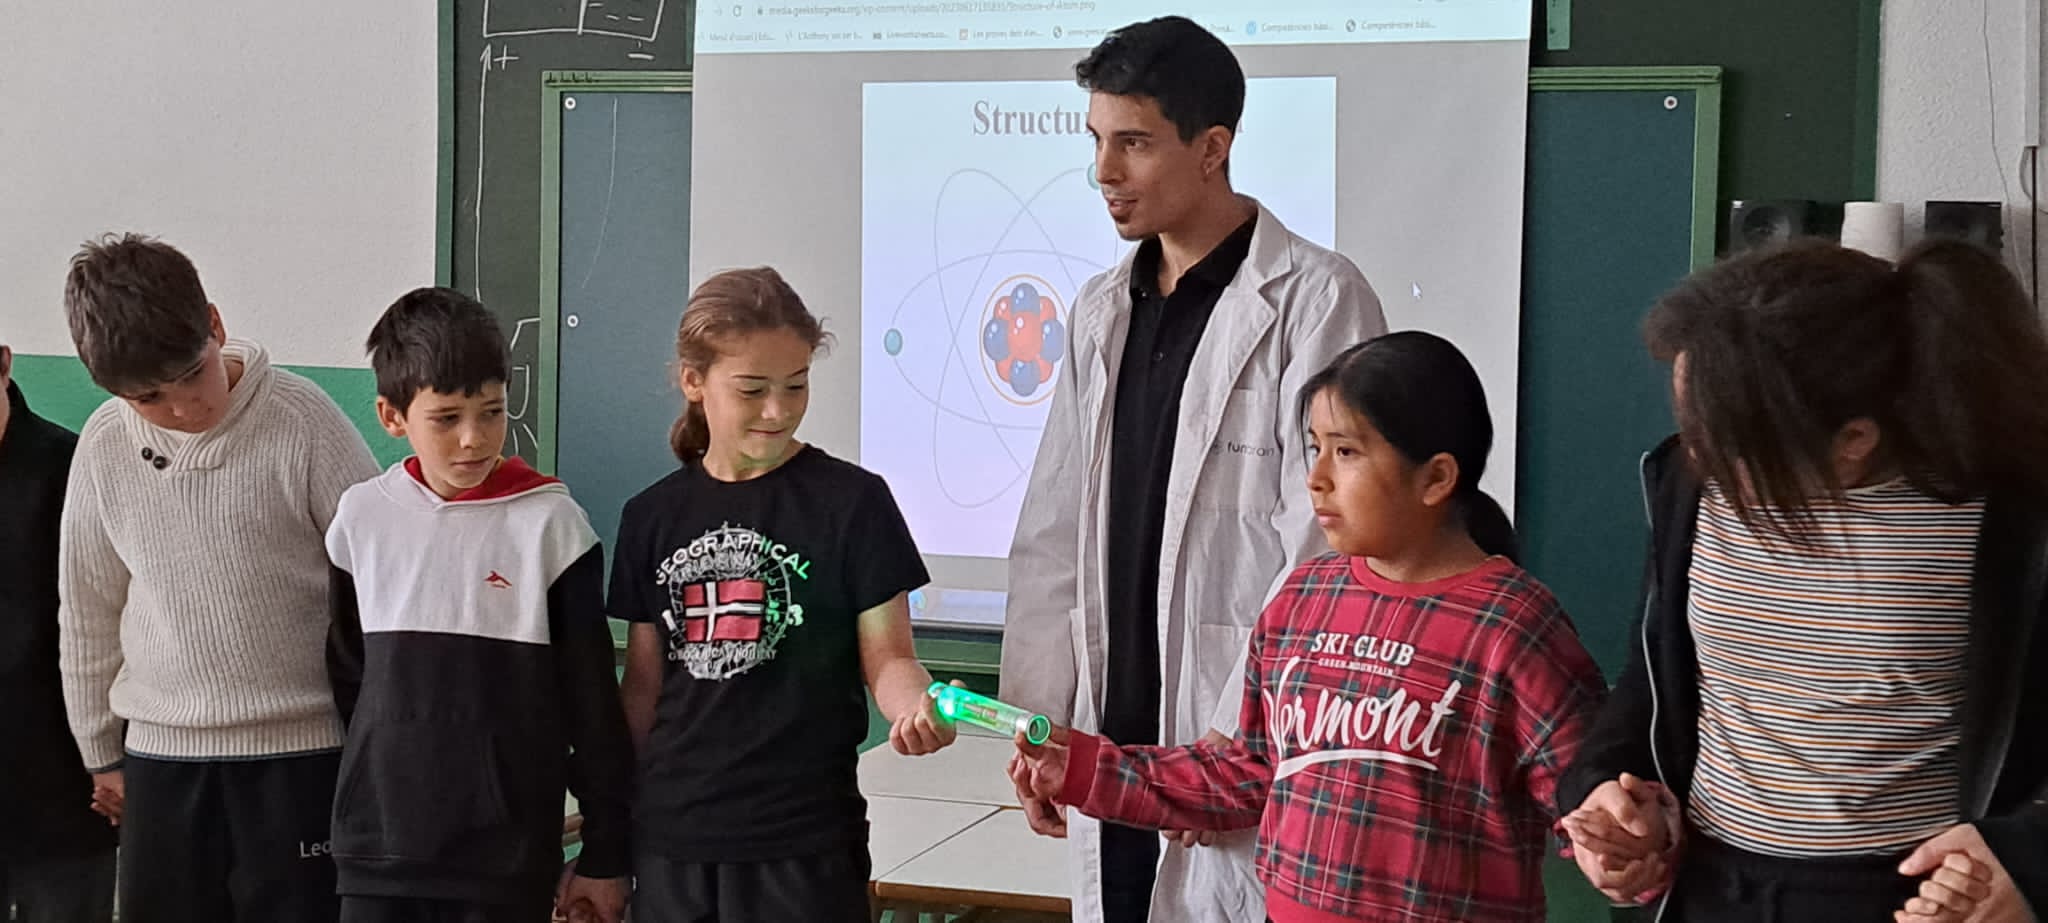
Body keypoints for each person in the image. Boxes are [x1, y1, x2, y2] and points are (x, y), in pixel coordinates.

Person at [1000, 15, 1389, 923]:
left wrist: (1227, 748)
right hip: (1108, 739)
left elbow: (1323, 547)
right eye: (1096, 140)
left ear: (1212, 148)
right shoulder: (1100, 309)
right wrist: (1039, 725)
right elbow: (1054, 526)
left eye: (1134, 143)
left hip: (1241, 745)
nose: (1104, 171)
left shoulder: (1318, 301)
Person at [1012, 331, 1606, 922]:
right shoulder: (1301, 599)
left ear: (1435, 478)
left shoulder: (1512, 624)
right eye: (1314, 447)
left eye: (1345, 452)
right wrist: (1083, 768)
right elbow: (1244, 773)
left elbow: (1585, 798)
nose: (1316, 477)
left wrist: (1619, 839)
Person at [1557, 240, 2048, 923]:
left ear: (1853, 440)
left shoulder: (2013, 525)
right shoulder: (1692, 491)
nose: (1694, 452)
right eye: (1690, 422)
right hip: (1709, 889)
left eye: (1724, 438)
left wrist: (2027, 860)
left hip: (1908, 898)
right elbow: (1654, 681)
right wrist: (1608, 792)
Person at [610, 267, 957, 921]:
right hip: (671, 845)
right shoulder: (650, 517)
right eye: (752, 390)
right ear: (693, 382)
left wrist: (917, 706)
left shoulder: (854, 503)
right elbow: (643, 690)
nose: (778, 409)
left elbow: (890, 658)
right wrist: (607, 836)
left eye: (796, 385)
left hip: (805, 844)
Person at [55, 233, 379, 922]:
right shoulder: (104, 445)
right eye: (148, 397)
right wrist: (99, 751)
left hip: (303, 751)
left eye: (190, 376)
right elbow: (88, 607)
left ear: (215, 324)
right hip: (160, 757)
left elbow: (383, 577)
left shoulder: (303, 419)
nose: (182, 408)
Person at [323, 288, 635, 923]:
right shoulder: (361, 518)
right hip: (378, 851)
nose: (474, 439)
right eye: (446, 419)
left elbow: (592, 707)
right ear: (391, 416)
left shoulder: (551, 526)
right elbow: (351, 677)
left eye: (492, 412)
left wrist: (606, 849)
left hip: (504, 860)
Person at [0, 340, 119, 923]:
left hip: (64, 781)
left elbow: (110, 627)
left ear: (3, 363)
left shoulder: (74, 468)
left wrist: (109, 759)